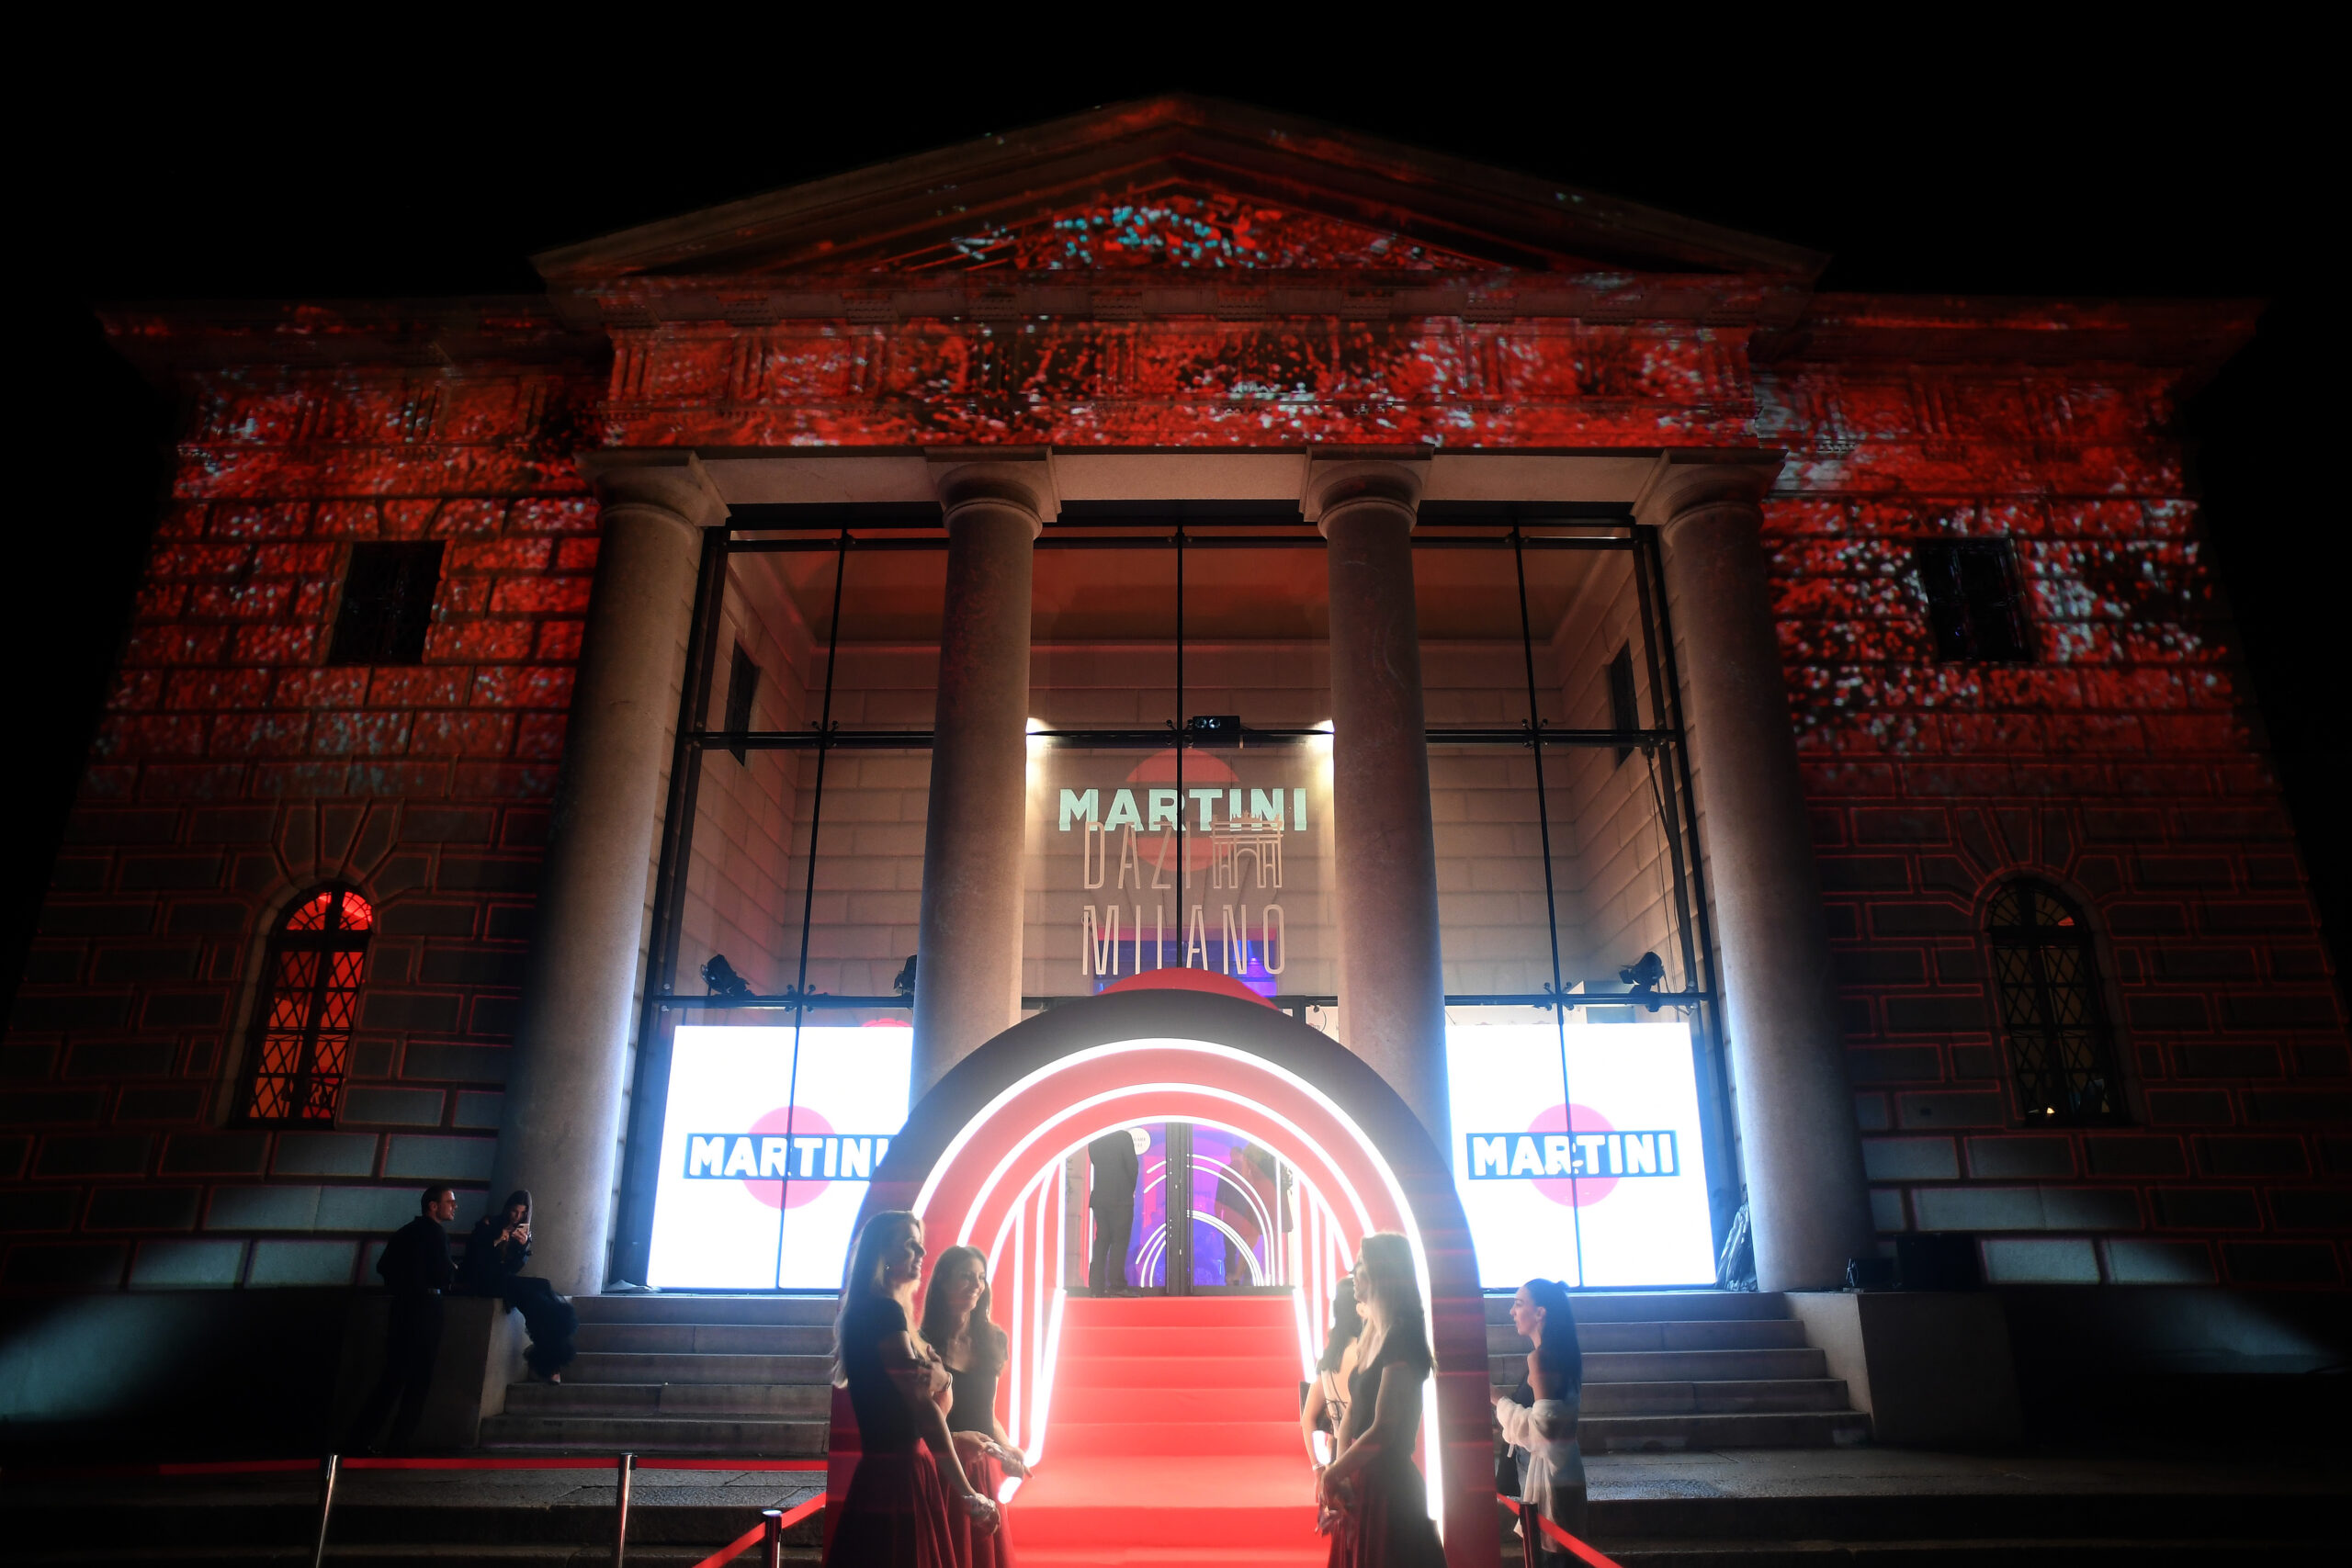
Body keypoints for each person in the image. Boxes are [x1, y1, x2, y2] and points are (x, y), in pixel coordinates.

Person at [827, 1211, 999, 1567]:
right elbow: (923, 1410)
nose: (921, 1252)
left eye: (919, 1244)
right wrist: (969, 1494)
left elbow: (929, 1407)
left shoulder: (876, 1312)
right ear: (882, 1254)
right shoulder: (884, 1313)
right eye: (909, 1245)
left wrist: (943, 1380)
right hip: (900, 1476)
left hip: (888, 1471)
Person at [1317, 1234, 1444, 1568]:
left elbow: (1384, 1428)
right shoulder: (1373, 1333)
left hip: (1388, 1487)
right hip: (1363, 1480)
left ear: (1382, 1273)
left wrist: (1336, 1472)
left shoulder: (1402, 1337)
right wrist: (1341, 1471)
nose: (1354, 1273)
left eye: (1361, 1264)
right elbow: (1352, 1413)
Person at [921, 1245, 1026, 1568]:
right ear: (942, 1281)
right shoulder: (922, 1344)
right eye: (966, 1276)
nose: (976, 1285)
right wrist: (955, 1440)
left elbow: (986, 1413)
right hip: (940, 1469)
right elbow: (917, 1422)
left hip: (981, 1471)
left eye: (980, 1278)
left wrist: (1007, 1449)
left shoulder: (993, 1340)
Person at [346, 1183, 458, 1455]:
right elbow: (444, 1275)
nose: (454, 1206)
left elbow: (383, 1266)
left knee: (393, 1376)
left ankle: (360, 1438)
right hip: (428, 1308)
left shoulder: (405, 1232)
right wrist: (450, 1271)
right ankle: (398, 1444)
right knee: (419, 1380)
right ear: (433, 1206)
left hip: (402, 1308)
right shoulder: (437, 1234)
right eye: (450, 1201)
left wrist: (406, 1286)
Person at [1492, 1278, 1587, 1563]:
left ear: (1540, 1313)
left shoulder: (1541, 1358)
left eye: (1519, 1304)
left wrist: (1498, 1399)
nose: (1512, 1311)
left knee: (1554, 1559)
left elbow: (1544, 1430)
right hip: (1563, 1473)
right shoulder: (1562, 1354)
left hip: (1552, 1481)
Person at [456, 1189, 578, 1382]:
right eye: (514, 1211)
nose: (517, 1216)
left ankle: (550, 1359)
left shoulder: (521, 1231)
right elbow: (474, 1258)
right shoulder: (488, 1224)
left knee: (543, 1288)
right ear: (507, 1209)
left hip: (503, 1278)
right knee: (534, 1301)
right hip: (482, 1279)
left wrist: (521, 1248)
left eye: (522, 1213)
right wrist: (496, 1239)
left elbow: (513, 1268)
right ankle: (549, 1365)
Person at [1300, 1274, 1363, 1464]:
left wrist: (1317, 1467)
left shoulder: (1327, 1360)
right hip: (1365, 1455)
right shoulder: (1366, 1353)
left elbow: (1307, 1419)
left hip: (1336, 1458)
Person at [1086, 1128, 1138, 1296]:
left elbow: (1095, 1160)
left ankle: (1096, 1286)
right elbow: (1132, 1167)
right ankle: (1116, 1285)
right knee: (1119, 1242)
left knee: (1102, 1240)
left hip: (1100, 1197)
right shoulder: (1123, 1137)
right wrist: (1129, 1189)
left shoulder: (1095, 1137)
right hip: (1120, 1197)